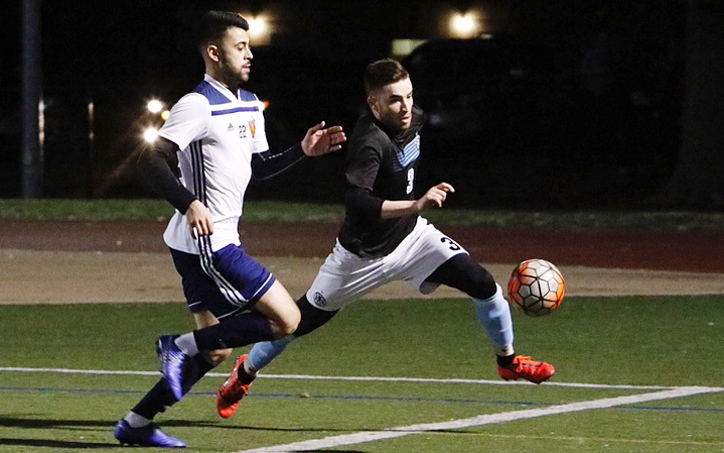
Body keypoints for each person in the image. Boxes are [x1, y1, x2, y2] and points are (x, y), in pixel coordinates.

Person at [215, 58, 555, 420]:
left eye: (409, 96)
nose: (406, 106)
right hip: (361, 257)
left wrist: (414, 210)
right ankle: (244, 372)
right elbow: (358, 203)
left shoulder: (413, 117)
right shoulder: (368, 142)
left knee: (483, 283)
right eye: (395, 100)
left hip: (413, 238)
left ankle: (508, 361)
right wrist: (416, 203)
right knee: (299, 322)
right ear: (374, 104)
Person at [113, 11, 346, 448]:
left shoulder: (249, 102)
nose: (249, 54)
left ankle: (137, 422)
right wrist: (189, 202)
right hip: (209, 242)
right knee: (288, 319)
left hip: (198, 243)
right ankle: (178, 345)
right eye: (241, 46)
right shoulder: (197, 104)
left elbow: (258, 169)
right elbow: (150, 158)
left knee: (216, 348)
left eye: (250, 46)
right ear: (214, 52)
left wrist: (303, 151)